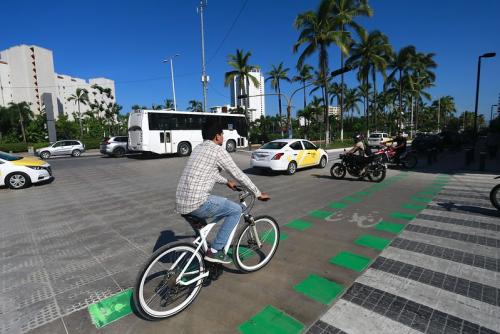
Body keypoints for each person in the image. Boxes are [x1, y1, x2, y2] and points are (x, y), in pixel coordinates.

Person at [176, 120, 270, 264]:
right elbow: (238, 174)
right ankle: (215, 251)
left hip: (181, 202)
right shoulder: (218, 151)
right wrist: (257, 193)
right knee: (236, 210)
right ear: (217, 136)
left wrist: (226, 182)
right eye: (222, 133)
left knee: (203, 231)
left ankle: (205, 261)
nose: (223, 136)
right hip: (197, 203)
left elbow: (209, 172)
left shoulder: (198, 148)